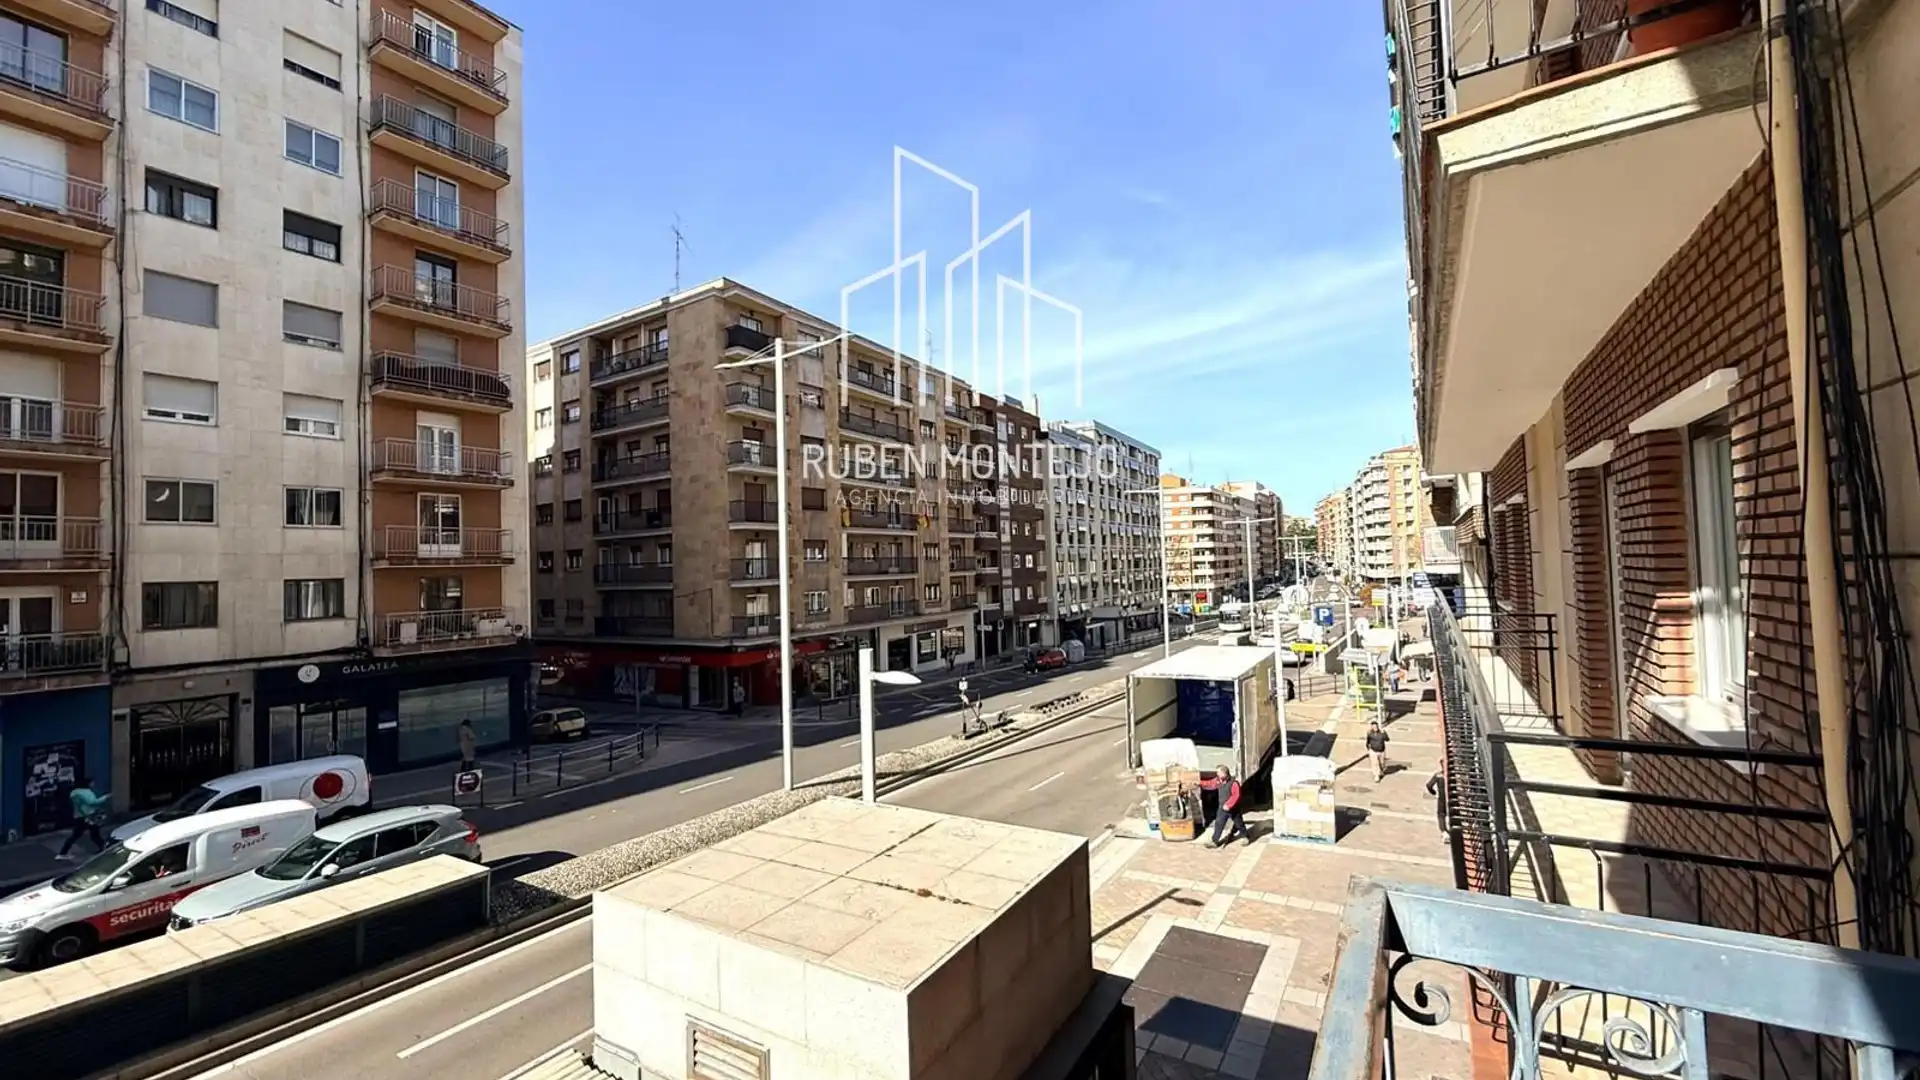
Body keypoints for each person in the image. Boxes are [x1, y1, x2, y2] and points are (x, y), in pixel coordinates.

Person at [57, 777, 110, 860]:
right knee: (91, 834)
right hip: (88, 816)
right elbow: (93, 802)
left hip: (79, 816)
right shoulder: (87, 792)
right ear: (88, 784)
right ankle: (63, 853)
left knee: (90, 834)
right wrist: (105, 797)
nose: (93, 784)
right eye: (92, 783)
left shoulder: (75, 793)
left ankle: (103, 847)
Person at [1199, 766, 1248, 847]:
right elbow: (1210, 784)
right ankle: (1214, 841)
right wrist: (1199, 783)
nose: (1217, 774)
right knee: (1218, 823)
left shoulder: (1234, 783)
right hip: (1222, 807)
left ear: (1224, 773)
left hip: (1233, 808)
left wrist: (1229, 804)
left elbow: (1236, 795)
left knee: (1239, 823)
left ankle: (1245, 836)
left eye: (1218, 772)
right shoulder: (1218, 780)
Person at [1426, 769, 1448, 840]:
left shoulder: (1438, 775)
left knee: (1441, 814)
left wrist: (1434, 792)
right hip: (1451, 798)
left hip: (1442, 798)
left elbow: (1429, 785)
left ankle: (1444, 832)